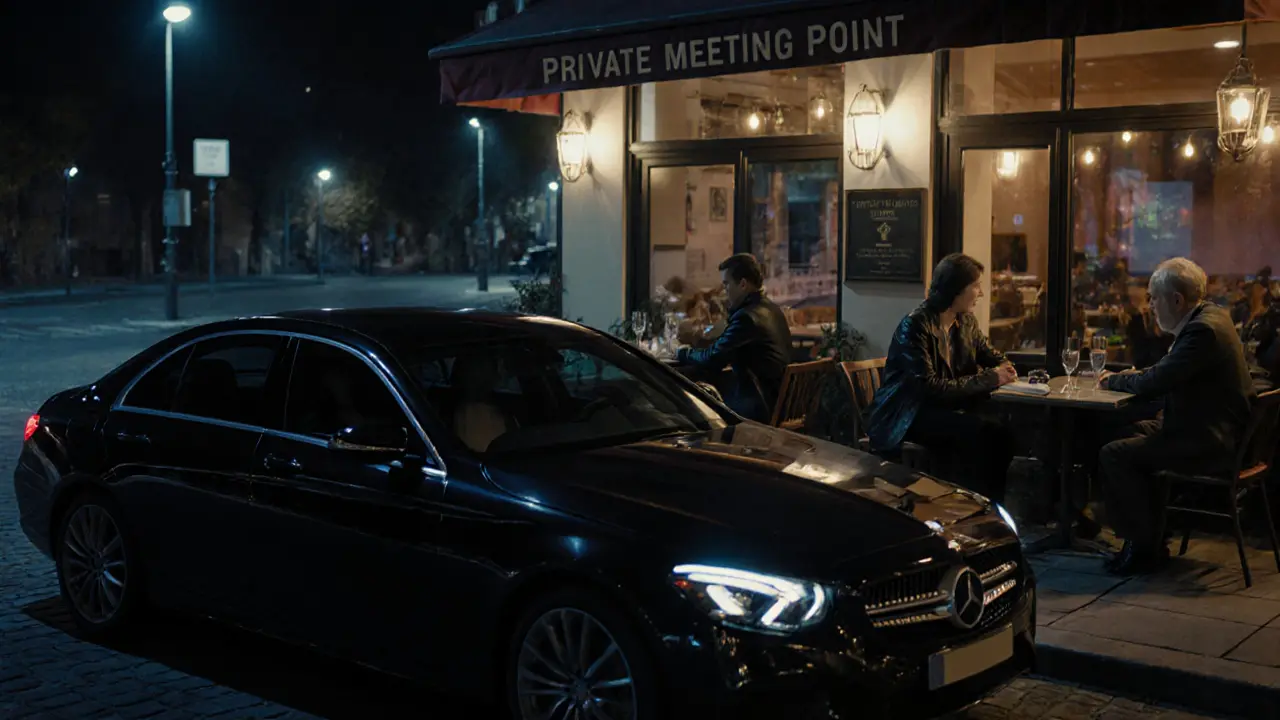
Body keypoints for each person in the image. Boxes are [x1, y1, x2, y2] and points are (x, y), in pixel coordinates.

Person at [1096, 257, 1255, 574]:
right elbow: (1165, 374)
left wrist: (1113, 381)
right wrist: (1135, 377)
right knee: (1123, 434)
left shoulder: (1202, 332)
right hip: (1211, 429)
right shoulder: (1213, 317)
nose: (1150, 306)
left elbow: (1155, 382)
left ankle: (1141, 548)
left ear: (1177, 300)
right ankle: (1152, 538)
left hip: (1207, 441)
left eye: (1154, 298)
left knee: (1115, 454)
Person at [866, 253, 1019, 501]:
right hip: (908, 414)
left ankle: (984, 504)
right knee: (983, 433)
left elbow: (991, 356)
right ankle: (971, 503)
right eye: (976, 286)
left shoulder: (966, 322)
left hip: (946, 407)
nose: (981, 293)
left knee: (1003, 431)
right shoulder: (915, 325)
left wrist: (1005, 367)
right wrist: (991, 378)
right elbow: (930, 387)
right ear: (955, 289)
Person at [676, 253, 791, 423]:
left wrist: (682, 352)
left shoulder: (748, 318)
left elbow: (712, 359)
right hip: (779, 404)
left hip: (758, 409)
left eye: (726, 284)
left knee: (692, 413)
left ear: (743, 284)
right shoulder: (772, 309)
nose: (724, 290)